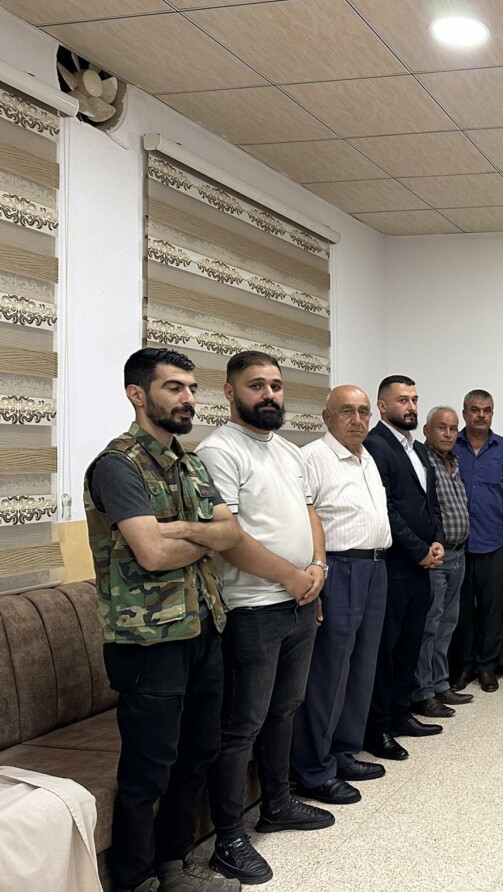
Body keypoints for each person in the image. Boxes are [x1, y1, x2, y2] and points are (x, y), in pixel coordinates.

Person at [84, 348, 242, 892]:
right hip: (148, 641)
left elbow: (231, 534)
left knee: (198, 754)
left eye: (192, 388)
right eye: (174, 387)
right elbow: (151, 553)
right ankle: (135, 881)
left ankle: (174, 866)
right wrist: (201, 536)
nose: (188, 398)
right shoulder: (118, 465)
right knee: (148, 770)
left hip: (203, 626)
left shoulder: (191, 462)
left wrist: (182, 530)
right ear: (137, 394)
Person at [197, 351, 332, 886]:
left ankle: (277, 804)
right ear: (230, 393)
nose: (270, 394)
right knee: (241, 726)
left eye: (276, 385)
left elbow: (310, 514)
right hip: (251, 608)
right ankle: (229, 840)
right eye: (257, 385)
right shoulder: (218, 450)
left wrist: (316, 569)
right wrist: (291, 577)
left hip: (298, 601)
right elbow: (229, 539)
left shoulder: (288, 450)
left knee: (285, 710)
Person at [291, 386, 392, 806]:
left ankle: (344, 752)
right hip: (338, 567)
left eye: (364, 412)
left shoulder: (367, 457)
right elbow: (302, 522)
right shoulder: (313, 458)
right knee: (329, 671)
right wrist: (314, 576)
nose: (358, 419)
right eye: (347, 411)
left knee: (362, 665)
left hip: (375, 567)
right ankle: (313, 769)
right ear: (326, 416)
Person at [361, 375, 445, 758]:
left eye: (414, 399)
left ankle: (401, 714)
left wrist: (437, 540)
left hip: (422, 565)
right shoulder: (375, 446)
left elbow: (431, 502)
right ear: (382, 406)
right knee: (387, 651)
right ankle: (378, 729)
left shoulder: (419, 449)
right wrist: (418, 549)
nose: (411, 407)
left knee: (410, 645)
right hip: (393, 565)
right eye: (402, 400)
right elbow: (387, 509)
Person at [450, 390, 503, 693]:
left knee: (491, 608)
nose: (481, 415)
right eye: (475, 409)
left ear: (492, 414)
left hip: (493, 541)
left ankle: (487, 667)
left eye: (487, 410)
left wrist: (490, 512)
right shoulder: (450, 445)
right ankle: (464, 665)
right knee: (461, 609)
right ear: (465, 412)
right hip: (457, 544)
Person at [413, 406, 474, 718]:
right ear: (427, 430)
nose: (448, 434)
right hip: (436, 555)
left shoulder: (455, 461)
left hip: (459, 554)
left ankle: (440, 684)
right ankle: (423, 692)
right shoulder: (421, 461)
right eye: (442, 427)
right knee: (429, 624)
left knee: (447, 623)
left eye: (453, 428)